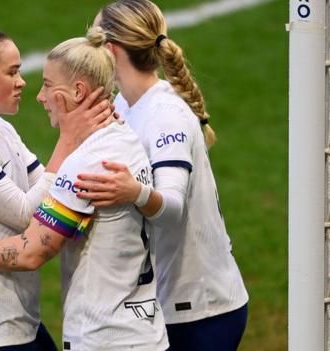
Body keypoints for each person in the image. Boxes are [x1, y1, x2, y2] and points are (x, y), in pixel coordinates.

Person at [0, 27, 169, 351]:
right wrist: (72, 143)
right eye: (13, 71)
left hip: (100, 334)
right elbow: (49, 194)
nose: (34, 91)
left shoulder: (80, 157)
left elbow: (33, 244)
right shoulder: (121, 137)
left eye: (46, 85)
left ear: (78, 91)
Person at [73, 1, 250, 350]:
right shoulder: (125, 104)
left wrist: (132, 191)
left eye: (92, 43)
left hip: (200, 310)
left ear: (110, 51)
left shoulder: (165, 114)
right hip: (160, 305)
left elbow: (171, 209)